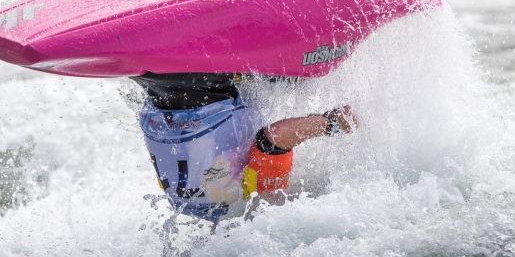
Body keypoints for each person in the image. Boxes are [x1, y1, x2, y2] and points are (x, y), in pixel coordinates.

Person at [133, 72, 357, 222]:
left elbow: (275, 136)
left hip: (203, 84)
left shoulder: (258, 200)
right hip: (151, 88)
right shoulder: (190, 211)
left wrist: (335, 122)